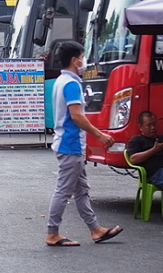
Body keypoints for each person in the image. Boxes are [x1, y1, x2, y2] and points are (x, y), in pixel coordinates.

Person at [45, 41, 123, 247]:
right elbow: (77, 116)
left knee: (81, 190)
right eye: (82, 57)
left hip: (68, 143)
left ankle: (95, 229)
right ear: (74, 60)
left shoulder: (61, 81)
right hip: (70, 145)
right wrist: (100, 135)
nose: (84, 61)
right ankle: (52, 233)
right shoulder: (71, 84)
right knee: (64, 191)